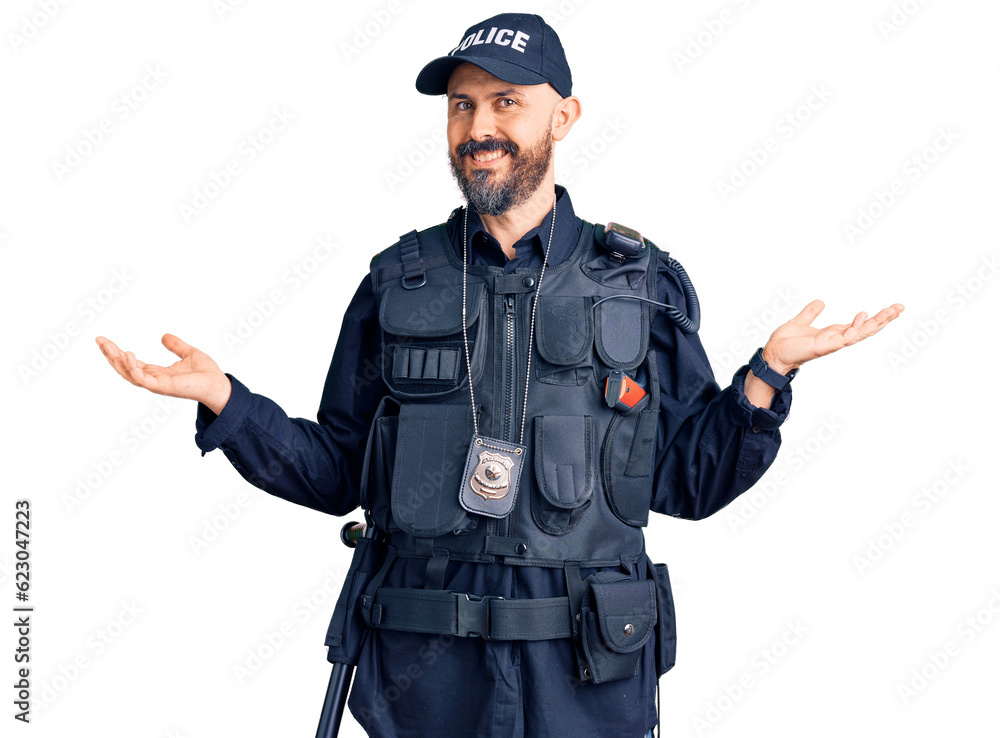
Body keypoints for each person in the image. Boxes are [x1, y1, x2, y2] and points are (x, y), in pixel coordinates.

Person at [95, 12, 904, 738]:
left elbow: (688, 481)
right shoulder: (397, 281)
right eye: (461, 106)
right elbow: (338, 468)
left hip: (587, 679)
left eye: (505, 102)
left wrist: (768, 375)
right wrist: (225, 402)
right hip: (425, 679)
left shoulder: (640, 284)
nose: (478, 126)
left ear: (565, 115)